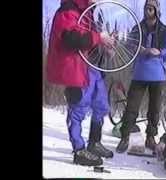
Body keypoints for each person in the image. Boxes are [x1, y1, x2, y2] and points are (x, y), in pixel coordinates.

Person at [46, 0, 116, 166]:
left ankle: (95, 143)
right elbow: (71, 39)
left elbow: (91, 43)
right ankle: (79, 150)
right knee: (78, 108)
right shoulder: (68, 10)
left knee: (102, 106)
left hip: (93, 68)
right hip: (76, 69)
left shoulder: (89, 12)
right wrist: (98, 37)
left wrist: (106, 47)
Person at [116, 0, 166, 153]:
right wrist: (139, 49)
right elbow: (129, 45)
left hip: (158, 75)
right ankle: (125, 137)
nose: (148, 11)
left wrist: (160, 52)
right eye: (146, 8)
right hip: (139, 73)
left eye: (151, 8)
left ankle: (150, 138)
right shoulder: (137, 28)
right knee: (131, 107)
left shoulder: (164, 30)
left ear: (156, 10)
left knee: (154, 109)